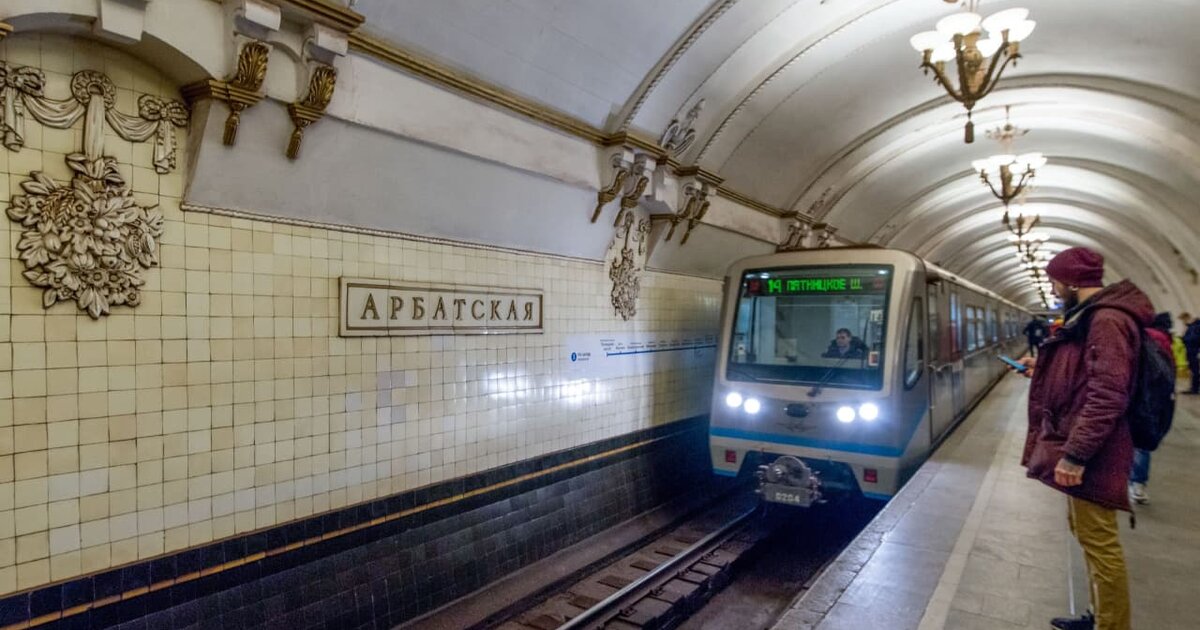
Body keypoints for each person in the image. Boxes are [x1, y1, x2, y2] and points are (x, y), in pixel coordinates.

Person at [1016, 247, 1145, 630]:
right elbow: (1087, 374)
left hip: (1095, 451)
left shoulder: (1106, 320)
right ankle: (1098, 615)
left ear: (1072, 282)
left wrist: (1075, 455)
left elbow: (1107, 394)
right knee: (1088, 536)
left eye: (1056, 281)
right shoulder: (1094, 318)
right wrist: (1042, 367)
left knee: (1101, 545)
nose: (1054, 289)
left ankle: (1111, 625)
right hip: (1088, 445)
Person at [1129, 312, 1175, 505]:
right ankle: (1138, 484)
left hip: (1139, 393)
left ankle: (1131, 480)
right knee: (1142, 440)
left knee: (1134, 439)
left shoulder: (1144, 336)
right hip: (1157, 396)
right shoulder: (1166, 339)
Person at [1180, 312, 1200, 394]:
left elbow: (1192, 339)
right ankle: (1194, 388)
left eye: (1183, 320)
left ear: (1187, 318)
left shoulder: (1194, 327)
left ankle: (1194, 389)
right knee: (1193, 370)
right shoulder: (1191, 327)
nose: (1183, 322)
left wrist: (1184, 338)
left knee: (1195, 370)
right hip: (1191, 351)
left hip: (1193, 351)